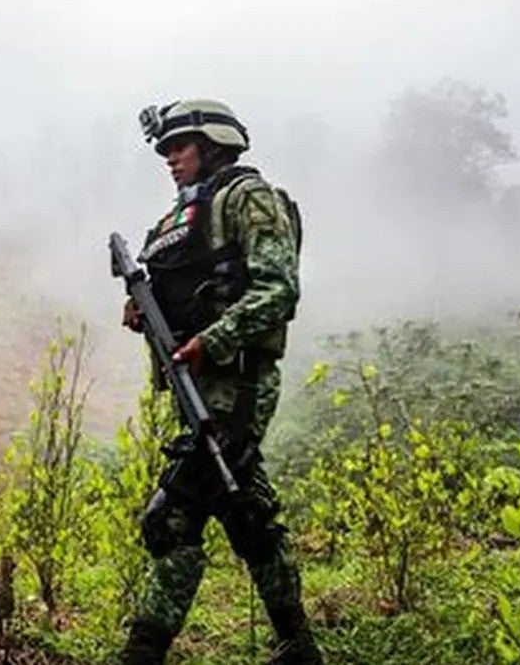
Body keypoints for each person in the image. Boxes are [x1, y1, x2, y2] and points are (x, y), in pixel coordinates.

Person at [119, 99, 322, 664]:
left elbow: (278, 290)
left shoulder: (248, 197)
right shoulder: (179, 219)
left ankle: (141, 653)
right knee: (247, 515)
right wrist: (142, 311)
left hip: (238, 382)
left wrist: (214, 340)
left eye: (178, 147)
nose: (169, 159)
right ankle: (299, 646)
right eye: (164, 150)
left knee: (173, 516)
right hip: (194, 387)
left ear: (212, 146)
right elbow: (184, 294)